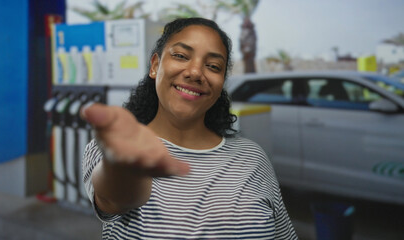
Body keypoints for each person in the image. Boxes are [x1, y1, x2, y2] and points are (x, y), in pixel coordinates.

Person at [81, 17, 297, 239]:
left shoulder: (252, 158)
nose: (195, 72)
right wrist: (123, 164)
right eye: (181, 56)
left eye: (213, 66)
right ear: (155, 65)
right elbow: (115, 198)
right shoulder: (113, 150)